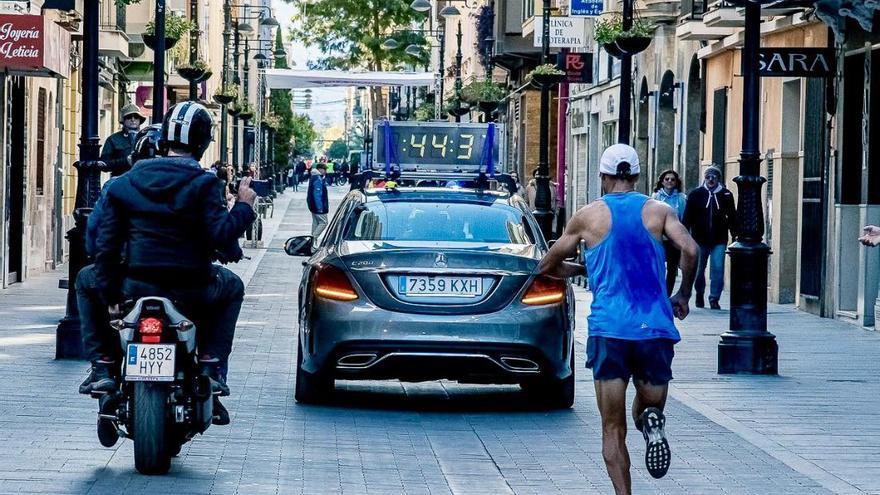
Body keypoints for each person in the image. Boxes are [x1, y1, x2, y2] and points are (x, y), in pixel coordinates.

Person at [537, 144, 698, 495]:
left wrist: (583, 267)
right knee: (648, 406)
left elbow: (547, 265)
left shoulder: (587, 216)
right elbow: (690, 249)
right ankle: (650, 420)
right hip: (654, 328)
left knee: (612, 428)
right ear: (638, 176)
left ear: (603, 176)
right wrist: (683, 293)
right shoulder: (660, 211)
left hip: (610, 331)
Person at [91, 101, 257, 426]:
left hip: (135, 283)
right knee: (232, 286)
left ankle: (102, 365)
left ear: (162, 140)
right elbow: (221, 235)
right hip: (191, 287)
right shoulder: (206, 183)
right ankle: (211, 365)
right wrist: (244, 206)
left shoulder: (125, 182)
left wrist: (109, 292)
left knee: (91, 282)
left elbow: (103, 242)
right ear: (204, 143)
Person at [682, 165, 737, 310]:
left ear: (718, 179)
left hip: (719, 239)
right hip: (699, 238)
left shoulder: (726, 195)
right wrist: (684, 236)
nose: (711, 179)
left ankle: (714, 298)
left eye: (714, 177)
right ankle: (699, 293)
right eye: (708, 177)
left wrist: (735, 234)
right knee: (699, 269)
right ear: (704, 178)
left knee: (718, 268)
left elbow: (732, 216)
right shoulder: (695, 195)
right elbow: (688, 217)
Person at [652, 170, 688, 296]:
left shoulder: (681, 199)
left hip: (674, 239)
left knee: (672, 269)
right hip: (660, 239)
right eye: (667, 179)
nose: (669, 181)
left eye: (672, 179)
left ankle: (667, 294)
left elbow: (683, 219)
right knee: (659, 267)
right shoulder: (656, 197)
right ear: (662, 181)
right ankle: (659, 293)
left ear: (676, 182)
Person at [99, 103, 147, 176]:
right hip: (120, 180)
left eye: (136, 117)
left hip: (142, 180)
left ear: (140, 120)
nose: (133, 119)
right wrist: (125, 161)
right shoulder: (113, 139)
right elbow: (104, 164)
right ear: (123, 120)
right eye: (129, 117)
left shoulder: (146, 138)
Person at [308, 161, 329, 238]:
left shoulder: (314, 177)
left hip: (313, 205)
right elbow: (317, 194)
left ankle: (312, 244)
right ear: (320, 169)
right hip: (318, 206)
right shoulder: (318, 179)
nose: (326, 171)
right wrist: (320, 207)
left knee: (316, 223)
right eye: (324, 169)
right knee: (324, 222)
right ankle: (313, 238)